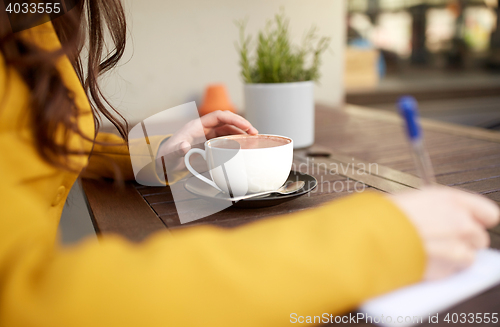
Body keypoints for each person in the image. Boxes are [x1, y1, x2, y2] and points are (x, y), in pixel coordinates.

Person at [0, 2, 498, 326]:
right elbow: (33, 302)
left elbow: (28, 140)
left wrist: (151, 152)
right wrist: (383, 239)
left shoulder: (32, 13)